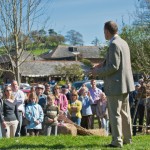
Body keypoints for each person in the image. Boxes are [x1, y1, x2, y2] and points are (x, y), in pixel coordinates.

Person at [92, 21, 135, 148]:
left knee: (115, 114)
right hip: (125, 84)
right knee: (125, 113)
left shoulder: (114, 44)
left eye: (104, 32)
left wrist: (97, 72)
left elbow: (114, 66)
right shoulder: (123, 42)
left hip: (116, 85)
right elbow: (117, 62)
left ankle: (117, 141)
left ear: (107, 31)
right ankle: (128, 139)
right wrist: (101, 64)